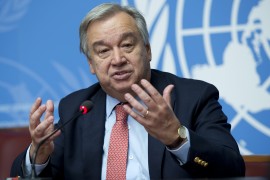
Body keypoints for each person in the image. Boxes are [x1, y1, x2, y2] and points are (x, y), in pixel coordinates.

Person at [10, 3, 245, 179]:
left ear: (148, 50)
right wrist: (38, 155)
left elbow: (233, 168)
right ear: (91, 65)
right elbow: (22, 175)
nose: (118, 59)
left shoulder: (195, 97)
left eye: (127, 45)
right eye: (103, 51)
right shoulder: (77, 108)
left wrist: (177, 137)